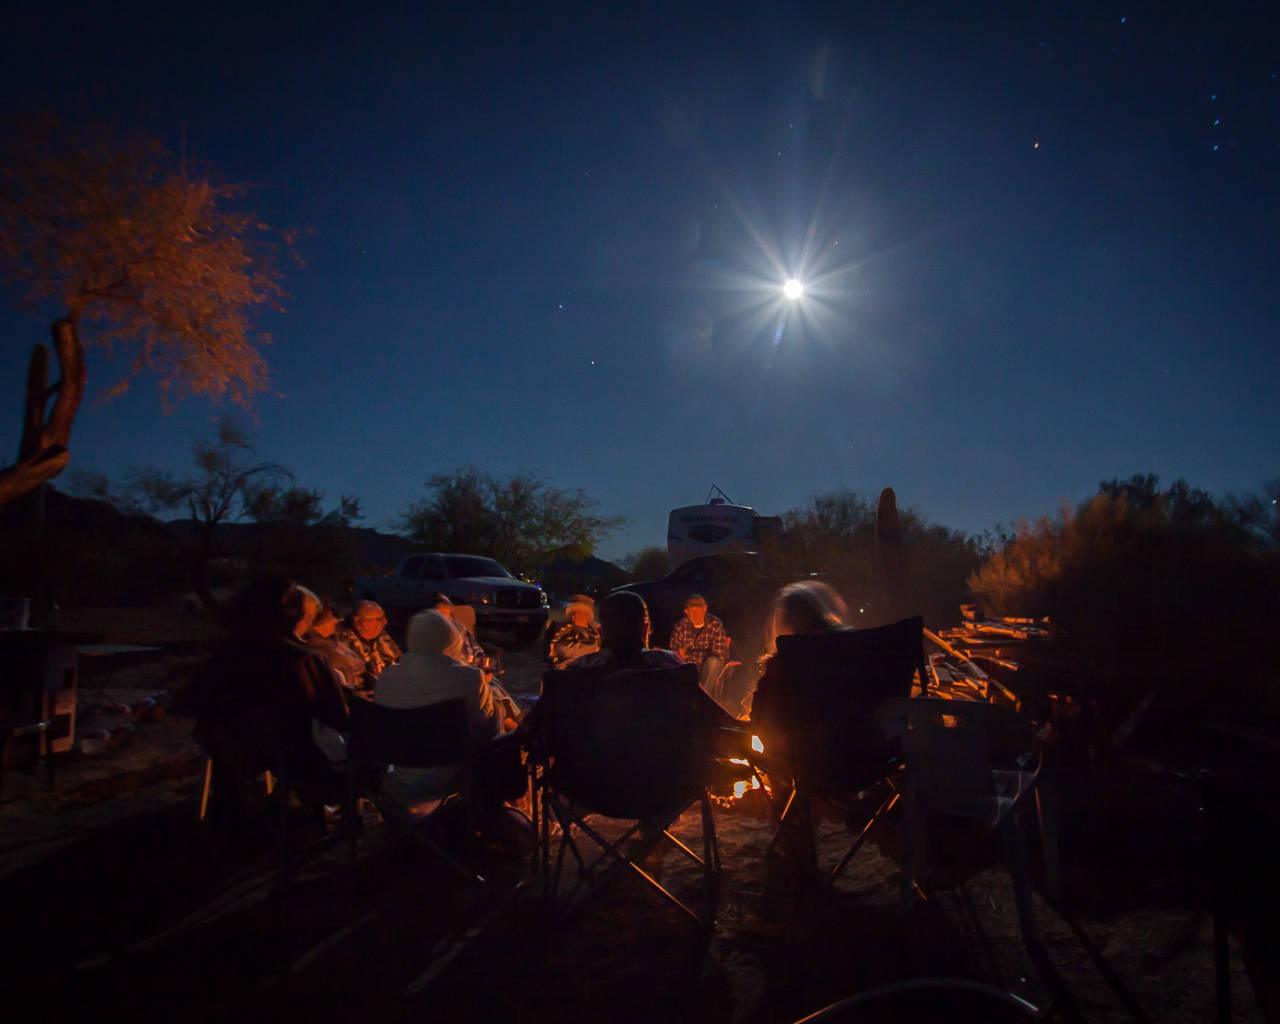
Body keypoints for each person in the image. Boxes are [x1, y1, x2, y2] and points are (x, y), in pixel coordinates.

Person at [193, 576, 350, 828]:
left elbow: (200, 701)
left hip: (229, 745)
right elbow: (336, 716)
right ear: (295, 615)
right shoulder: (301, 660)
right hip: (286, 753)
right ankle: (315, 811)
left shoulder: (225, 652)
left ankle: (231, 820)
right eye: (307, 615)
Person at [375, 609, 523, 806]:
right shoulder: (469, 678)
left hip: (401, 777)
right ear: (451, 640)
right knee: (506, 733)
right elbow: (488, 733)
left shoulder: (386, 678)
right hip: (457, 779)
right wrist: (499, 710)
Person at [747, 579, 852, 738]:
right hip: (863, 751)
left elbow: (759, 720)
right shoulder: (853, 649)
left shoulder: (785, 661)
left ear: (788, 621)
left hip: (802, 756)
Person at [337, 600, 402, 694]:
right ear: (365, 623)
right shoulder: (345, 643)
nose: (385, 622)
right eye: (380, 619)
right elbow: (360, 678)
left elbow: (398, 661)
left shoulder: (381, 636)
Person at [668, 594, 730, 692]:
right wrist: (680, 655)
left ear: (705, 609)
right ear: (686, 612)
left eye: (699, 610)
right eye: (693, 612)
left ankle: (703, 697)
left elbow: (720, 654)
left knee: (714, 662)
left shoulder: (715, 625)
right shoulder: (680, 627)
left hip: (707, 668)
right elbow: (673, 655)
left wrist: (703, 660)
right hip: (688, 666)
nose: (696, 615)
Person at [304, 602, 367, 691]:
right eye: (334, 623)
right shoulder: (317, 648)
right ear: (324, 623)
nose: (336, 626)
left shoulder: (335, 640)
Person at [547, 594, 602, 668]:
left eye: (580, 612)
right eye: (574, 612)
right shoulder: (559, 628)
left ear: (588, 616)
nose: (576, 615)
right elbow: (555, 650)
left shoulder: (596, 632)